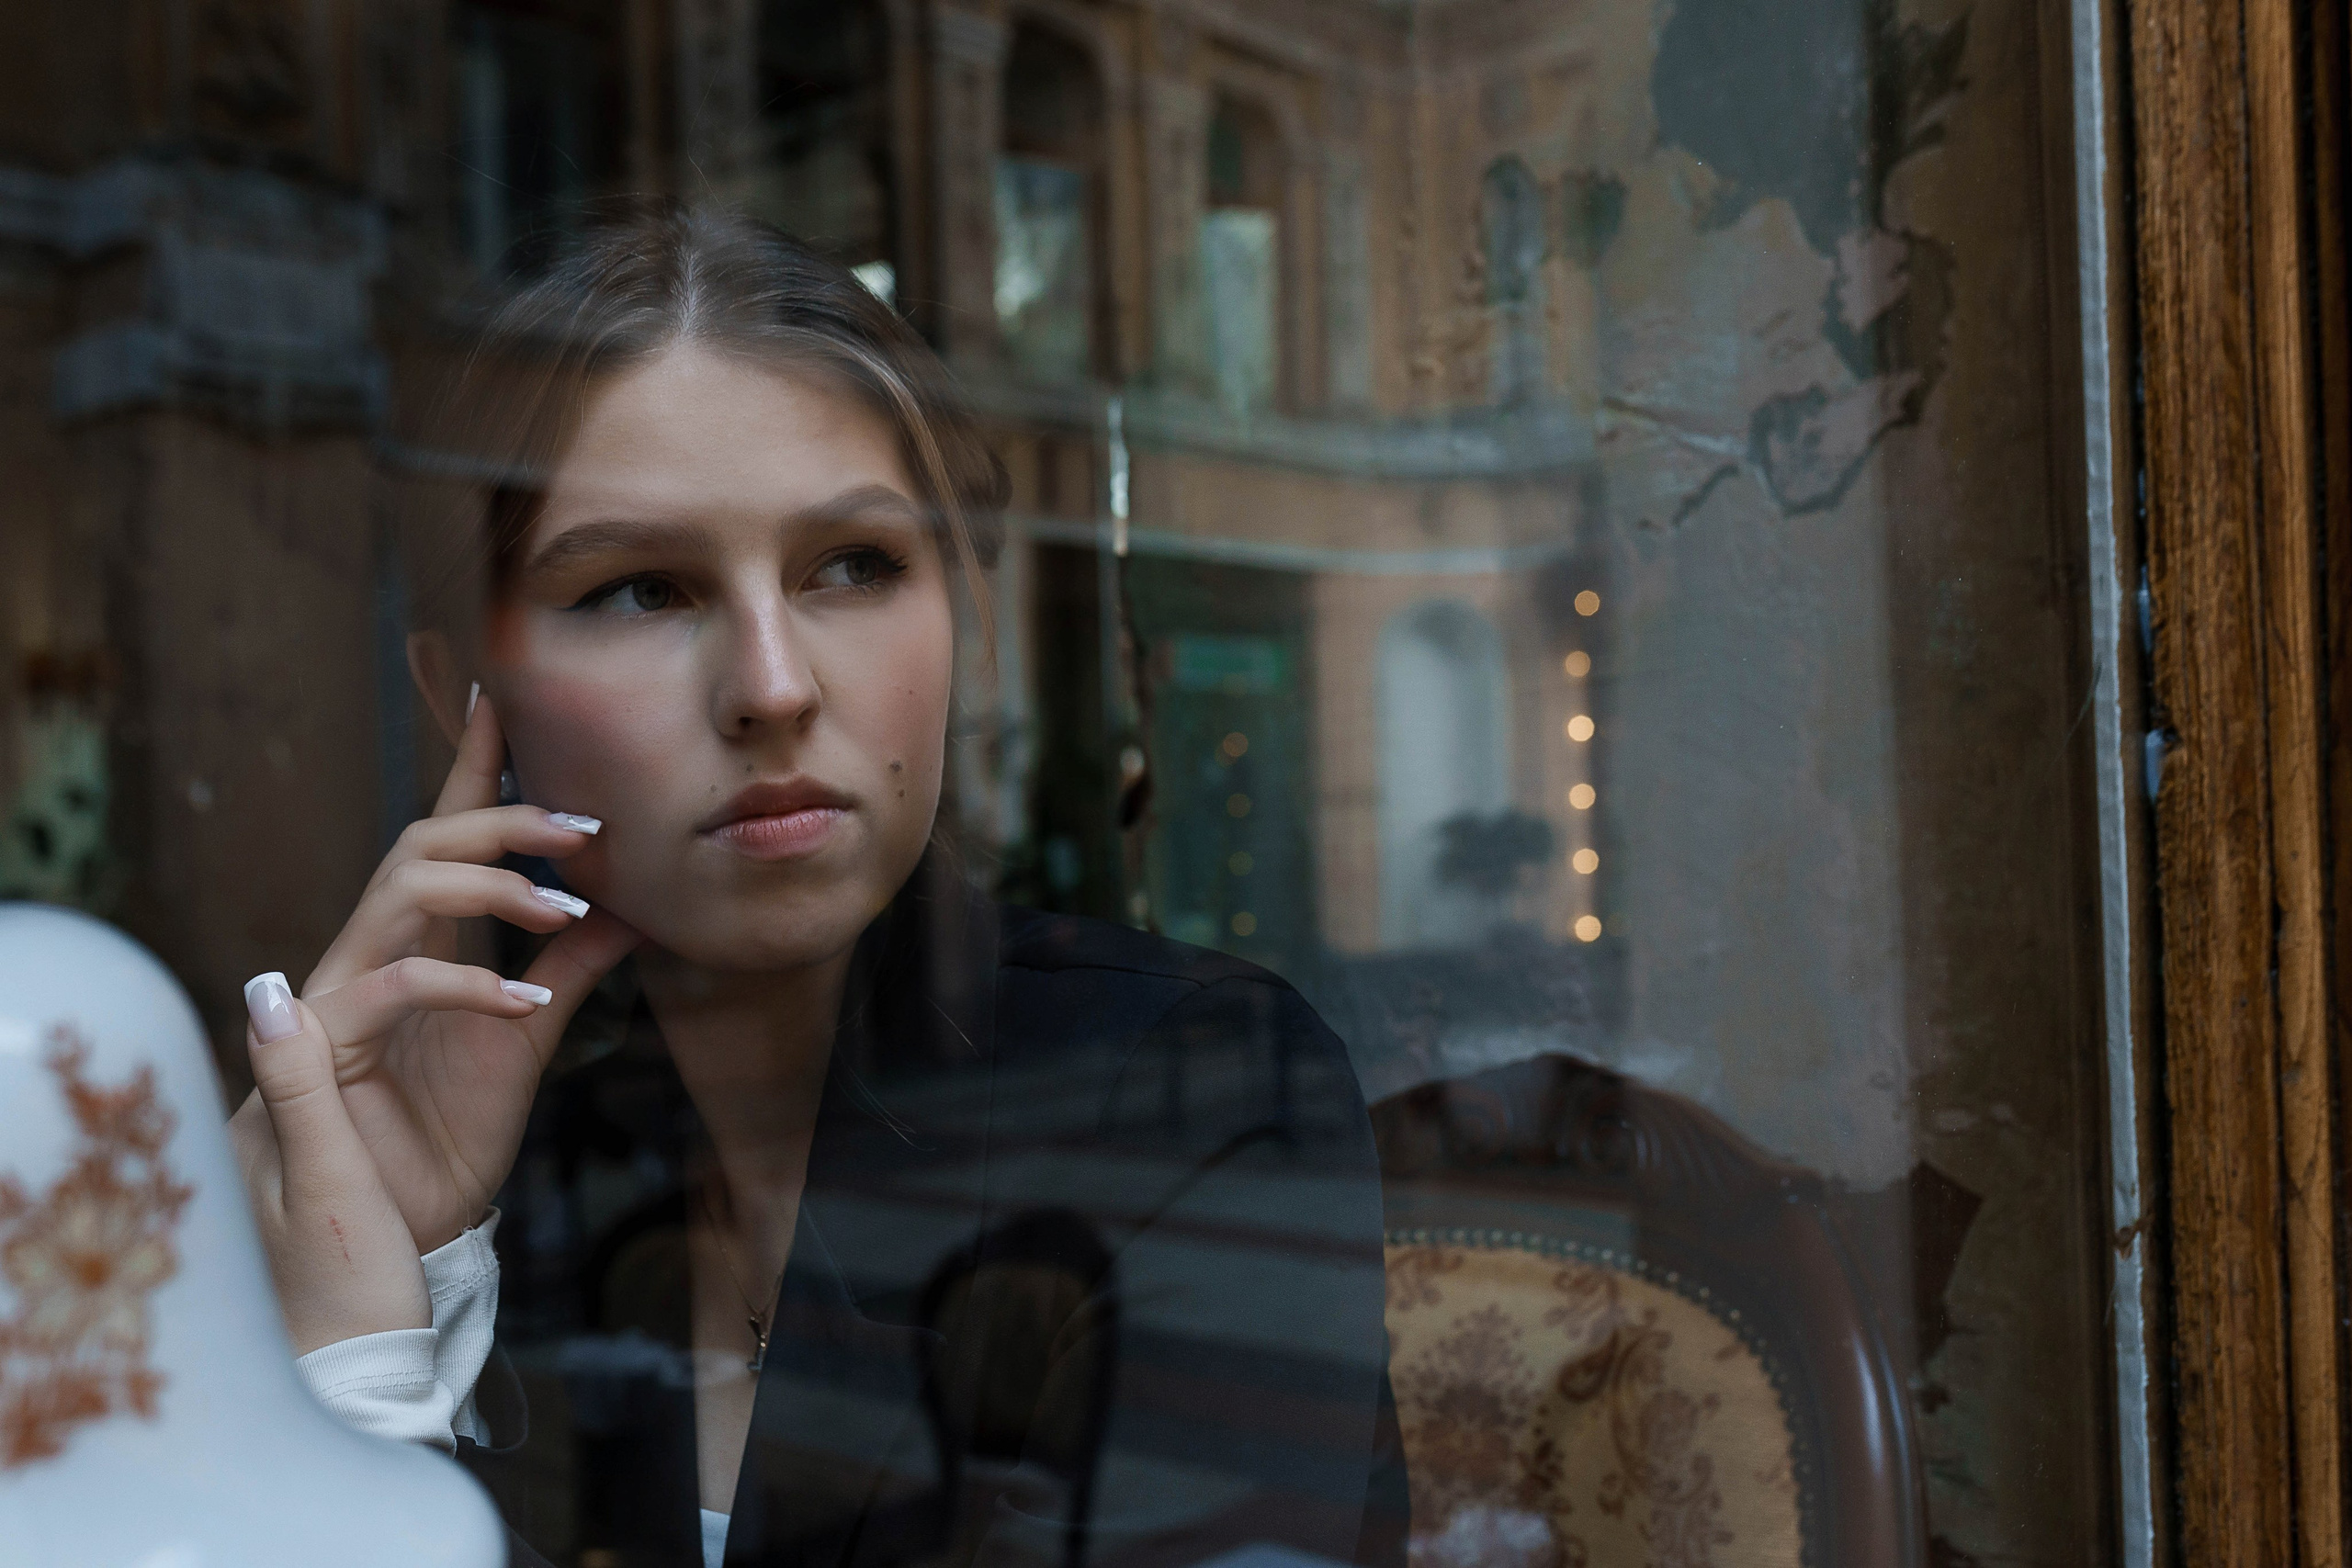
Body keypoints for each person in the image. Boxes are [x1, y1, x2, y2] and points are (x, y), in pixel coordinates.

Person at [228, 206, 1404, 1568]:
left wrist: (367, 1424)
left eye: (854, 566)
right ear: (464, 698)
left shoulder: (1189, 1094)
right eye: (640, 591)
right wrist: (400, 1303)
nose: (775, 687)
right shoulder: (509, 1186)